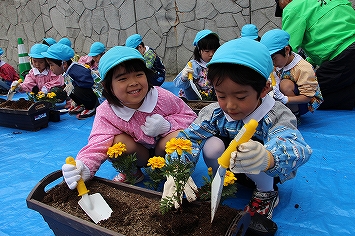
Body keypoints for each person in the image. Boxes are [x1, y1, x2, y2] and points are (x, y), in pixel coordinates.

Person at [178, 38, 312, 220]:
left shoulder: (275, 114)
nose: (230, 105)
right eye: (221, 95)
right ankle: (221, 181)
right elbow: (189, 137)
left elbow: (296, 146)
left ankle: (266, 193)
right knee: (212, 145)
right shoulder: (214, 113)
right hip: (228, 167)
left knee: (247, 149)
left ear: (264, 89)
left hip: (262, 171)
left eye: (241, 97)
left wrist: (269, 157)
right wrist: (178, 170)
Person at [61, 46, 197, 187]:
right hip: (139, 154)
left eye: (138, 74)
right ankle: (132, 172)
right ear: (108, 86)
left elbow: (190, 117)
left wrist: (167, 125)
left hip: (163, 149)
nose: (133, 82)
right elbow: (98, 142)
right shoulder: (107, 111)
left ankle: (172, 172)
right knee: (115, 144)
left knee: (179, 137)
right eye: (123, 78)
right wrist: (84, 166)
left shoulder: (161, 96)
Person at [275, 0, 355, 110]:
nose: (283, 11)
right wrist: (308, 61)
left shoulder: (293, 8)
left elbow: (287, 48)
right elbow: (331, 31)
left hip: (344, 56)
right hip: (346, 55)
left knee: (313, 96)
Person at [260, 29, 323, 120]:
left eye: (274, 58)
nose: (272, 63)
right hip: (284, 95)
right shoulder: (277, 63)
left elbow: (308, 97)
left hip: (303, 102)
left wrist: (286, 99)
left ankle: (294, 116)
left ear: (287, 50)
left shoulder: (303, 68)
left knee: (285, 84)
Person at [42, 43, 99, 119]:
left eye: (51, 65)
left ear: (64, 64)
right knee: (69, 88)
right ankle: (81, 104)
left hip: (96, 95)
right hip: (88, 92)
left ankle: (90, 107)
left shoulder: (76, 70)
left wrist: (76, 85)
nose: (51, 68)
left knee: (77, 89)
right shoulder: (69, 71)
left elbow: (89, 83)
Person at [173, 29, 220, 100]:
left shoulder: (218, 65)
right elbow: (178, 84)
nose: (211, 54)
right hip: (192, 100)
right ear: (199, 51)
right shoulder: (194, 65)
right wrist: (184, 78)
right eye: (207, 51)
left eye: (214, 50)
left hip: (210, 99)